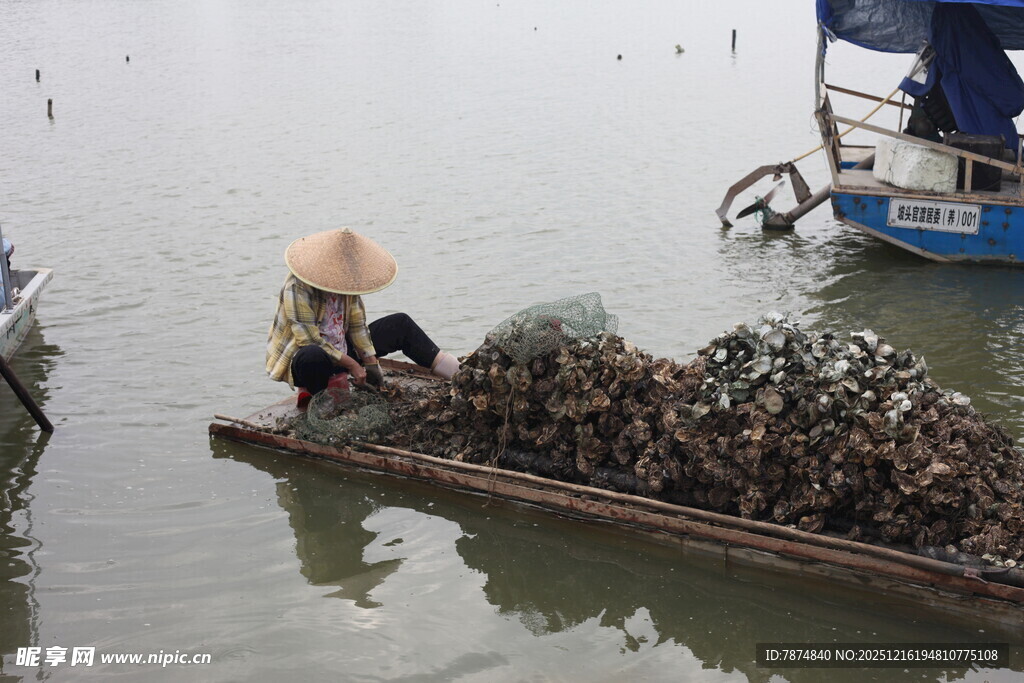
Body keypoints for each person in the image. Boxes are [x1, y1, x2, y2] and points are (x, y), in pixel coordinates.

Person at [266, 227, 460, 406]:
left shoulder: (346, 282)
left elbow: (358, 326)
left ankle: (459, 374)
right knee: (312, 356)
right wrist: (352, 365)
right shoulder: (298, 286)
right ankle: (320, 397)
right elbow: (309, 340)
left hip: (341, 348)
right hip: (309, 361)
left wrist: (371, 363)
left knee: (400, 324)